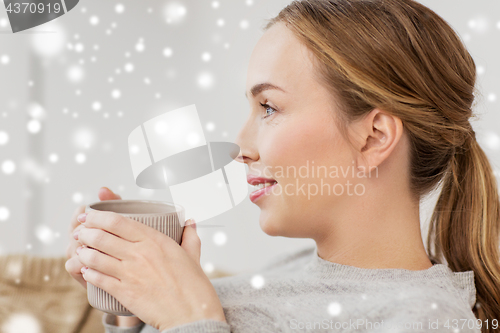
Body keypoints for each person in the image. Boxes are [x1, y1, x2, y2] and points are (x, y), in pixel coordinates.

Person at [65, 0, 500, 332]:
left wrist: (189, 316)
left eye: (269, 107)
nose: (240, 147)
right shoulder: (295, 272)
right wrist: (136, 304)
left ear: (374, 137)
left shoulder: (419, 320)